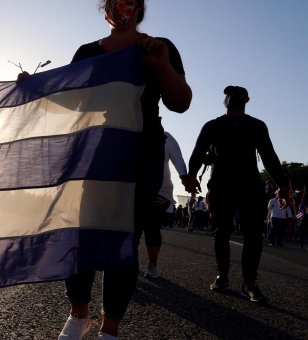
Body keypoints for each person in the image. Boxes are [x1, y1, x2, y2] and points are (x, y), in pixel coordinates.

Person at [49, 1, 192, 339]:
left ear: (139, 7)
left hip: (141, 152)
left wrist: (161, 67)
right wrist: (35, 90)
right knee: (83, 233)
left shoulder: (159, 46)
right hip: (96, 151)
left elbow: (181, 101)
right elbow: (72, 99)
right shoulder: (87, 52)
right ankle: (78, 314)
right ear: (105, 8)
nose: (120, 6)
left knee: (125, 239)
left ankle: (109, 329)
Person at [184, 85, 288, 304]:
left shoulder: (256, 126)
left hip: (250, 184)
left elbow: (269, 157)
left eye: (237, 94)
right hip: (222, 184)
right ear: (225, 100)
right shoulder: (213, 126)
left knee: (253, 234)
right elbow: (198, 152)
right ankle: (222, 277)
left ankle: (249, 283)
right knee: (221, 231)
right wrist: (191, 176)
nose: (233, 97)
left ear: (247, 100)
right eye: (229, 94)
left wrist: (283, 186)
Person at [142, 131, 188, 279]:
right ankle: (127, 264)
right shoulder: (129, 129)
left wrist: (185, 178)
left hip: (160, 191)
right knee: (131, 229)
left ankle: (152, 264)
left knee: (151, 227)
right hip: (133, 188)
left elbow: (178, 159)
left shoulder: (165, 137)